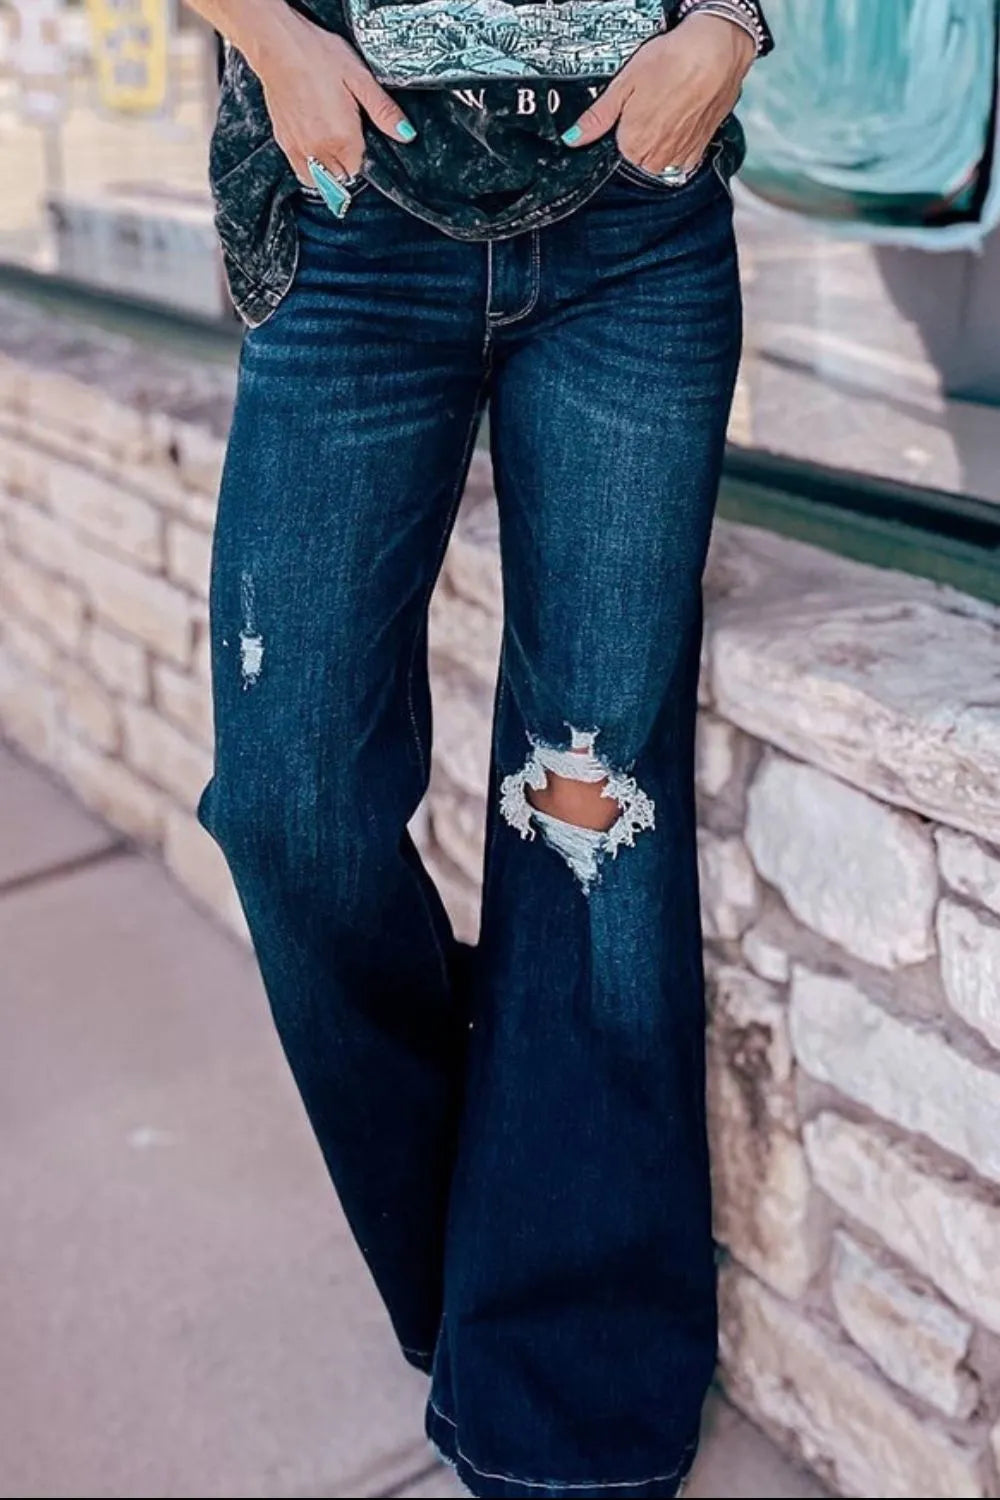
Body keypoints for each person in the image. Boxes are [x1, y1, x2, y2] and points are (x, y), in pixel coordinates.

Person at [184, 1, 772, 1495]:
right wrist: (268, 35)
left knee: (594, 813)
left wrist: (729, 26)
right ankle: (499, 1208)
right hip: (354, 210)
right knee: (287, 802)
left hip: (635, 224)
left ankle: (568, 1403)